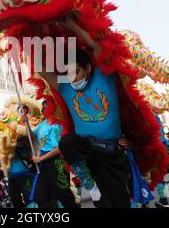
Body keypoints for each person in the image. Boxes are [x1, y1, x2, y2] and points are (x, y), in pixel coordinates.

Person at [41, 39, 131, 208]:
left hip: (111, 152)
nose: (72, 78)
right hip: (87, 151)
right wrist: (30, 35)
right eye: (68, 73)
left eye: (76, 72)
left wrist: (71, 24)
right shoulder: (66, 86)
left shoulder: (104, 77)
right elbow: (40, 68)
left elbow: (99, 48)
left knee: (119, 204)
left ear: (88, 68)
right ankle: (91, 187)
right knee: (67, 142)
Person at [31, 101, 80, 208]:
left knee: (64, 196)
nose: (44, 108)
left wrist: (40, 159)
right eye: (43, 107)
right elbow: (31, 134)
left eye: (46, 106)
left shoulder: (56, 125)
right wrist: (25, 121)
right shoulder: (43, 123)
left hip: (56, 163)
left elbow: (58, 148)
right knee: (41, 197)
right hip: (44, 165)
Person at [7, 136, 35, 208]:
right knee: (15, 200)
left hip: (25, 176)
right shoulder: (8, 150)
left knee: (29, 199)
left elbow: (32, 158)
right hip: (12, 177)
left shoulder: (26, 148)